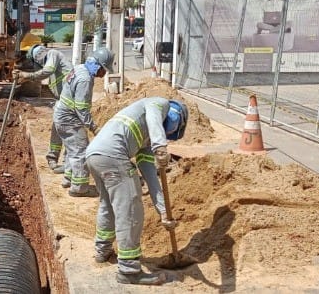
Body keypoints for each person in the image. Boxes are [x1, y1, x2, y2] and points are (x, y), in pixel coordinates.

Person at [85, 97, 189, 285]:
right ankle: (129, 270)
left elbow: (151, 176)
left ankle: (103, 251)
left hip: (95, 154)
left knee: (108, 205)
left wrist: (163, 210)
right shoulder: (160, 103)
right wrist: (160, 146)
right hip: (113, 155)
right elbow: (154, 114)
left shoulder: (144, 139)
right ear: (176, 118)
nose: (168, 134)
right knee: (130, 211)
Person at [52, 47, 114, 197]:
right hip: (69, 119)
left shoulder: (80, 68)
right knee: (81, 150)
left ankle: (68, 178)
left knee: (71, 148)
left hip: (61, 115)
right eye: (104, 69)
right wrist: (93, 127)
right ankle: (79, 187)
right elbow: (81, 108)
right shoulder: (85, 79)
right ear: (98, 66)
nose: (104, 73)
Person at [14, 44, 73, 173]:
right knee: (57, 127)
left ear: (38, 57)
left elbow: (47, 71)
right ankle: (52, 158)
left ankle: (67, 165)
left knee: (68, 132)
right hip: (62, 100)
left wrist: (27, 75)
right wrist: (22, 78)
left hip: (70, 100)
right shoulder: (51, 61)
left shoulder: (53, 54)